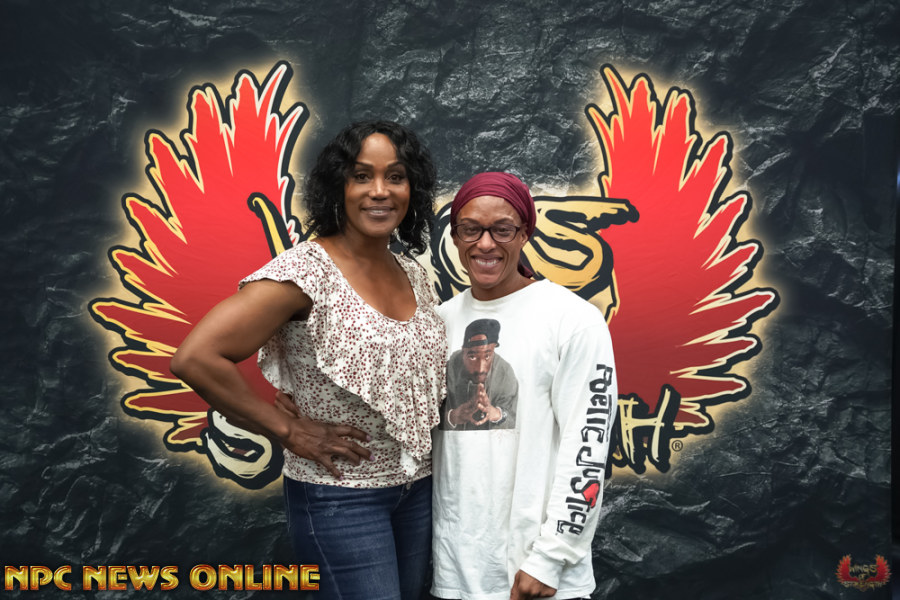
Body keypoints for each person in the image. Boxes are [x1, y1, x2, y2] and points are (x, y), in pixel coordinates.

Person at [170, 120, 447, 600]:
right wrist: (287, 430)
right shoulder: (306, 271)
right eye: (361, 175)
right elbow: (196, 357)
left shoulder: (412, 272)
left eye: (396, 176)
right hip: (340, 497)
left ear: (412, 189)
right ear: (339, 186)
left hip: (416, 490)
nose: (379, 191)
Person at [431, 172, 618, 600]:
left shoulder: (573, 320)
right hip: (454, 574)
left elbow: (587, 446)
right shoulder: (438, 323)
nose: (485, 244)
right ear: (455, 236)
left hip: (537, 575)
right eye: (471, 229)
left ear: (525, 233)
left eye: (502, 229)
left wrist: (550, 559)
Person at [439, 318, 518, 430]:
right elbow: (428, 418)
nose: (480, 369)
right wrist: (452, 416)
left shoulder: (505, 374)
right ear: (463, 351)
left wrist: (497, 414)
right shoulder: (448, 369)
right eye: (472, 357)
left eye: (487, 356)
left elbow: (515, 421)